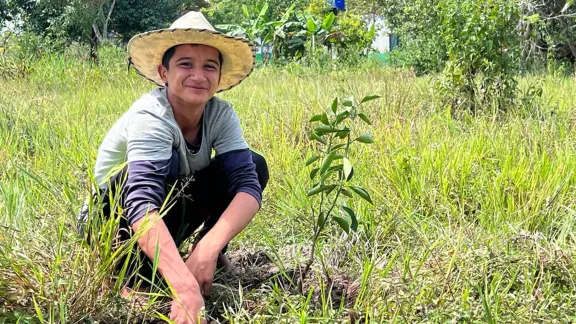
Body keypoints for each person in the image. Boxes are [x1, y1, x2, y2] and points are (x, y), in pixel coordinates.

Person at [79, 11, 268, 324]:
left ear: (220, 77)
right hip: (112, 222)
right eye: (186, 64)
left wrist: (208, 247)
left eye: (210, 66)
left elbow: (248, 184)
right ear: (163, 72)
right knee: (143, 176)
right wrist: (183, 287)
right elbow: (139, 201)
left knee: (254, 163)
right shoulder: (151, 116)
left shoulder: (220, 114)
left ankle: (204, 258)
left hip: (167, 207)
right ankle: (124, 278)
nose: (199, 75)